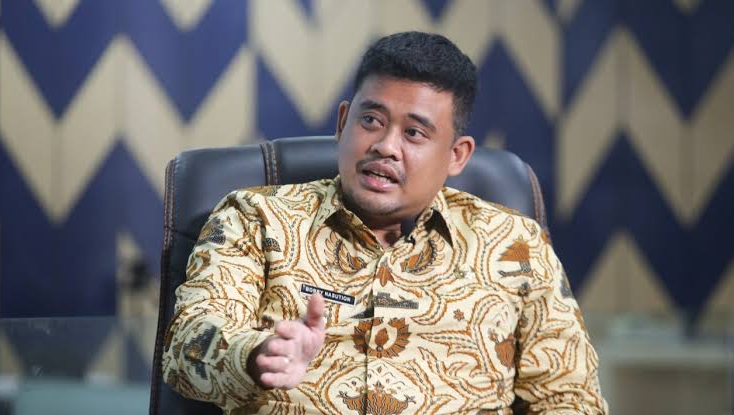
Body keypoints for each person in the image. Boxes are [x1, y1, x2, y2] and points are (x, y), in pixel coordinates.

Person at [162, 31, 607, 414]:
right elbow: (186, 348)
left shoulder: (515, 244)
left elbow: (568, 397)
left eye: (414, 133)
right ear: (343, 123)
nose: (386, 146)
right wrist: (256, 355)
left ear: (457, 155)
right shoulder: (256, 219)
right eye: (371, 120)